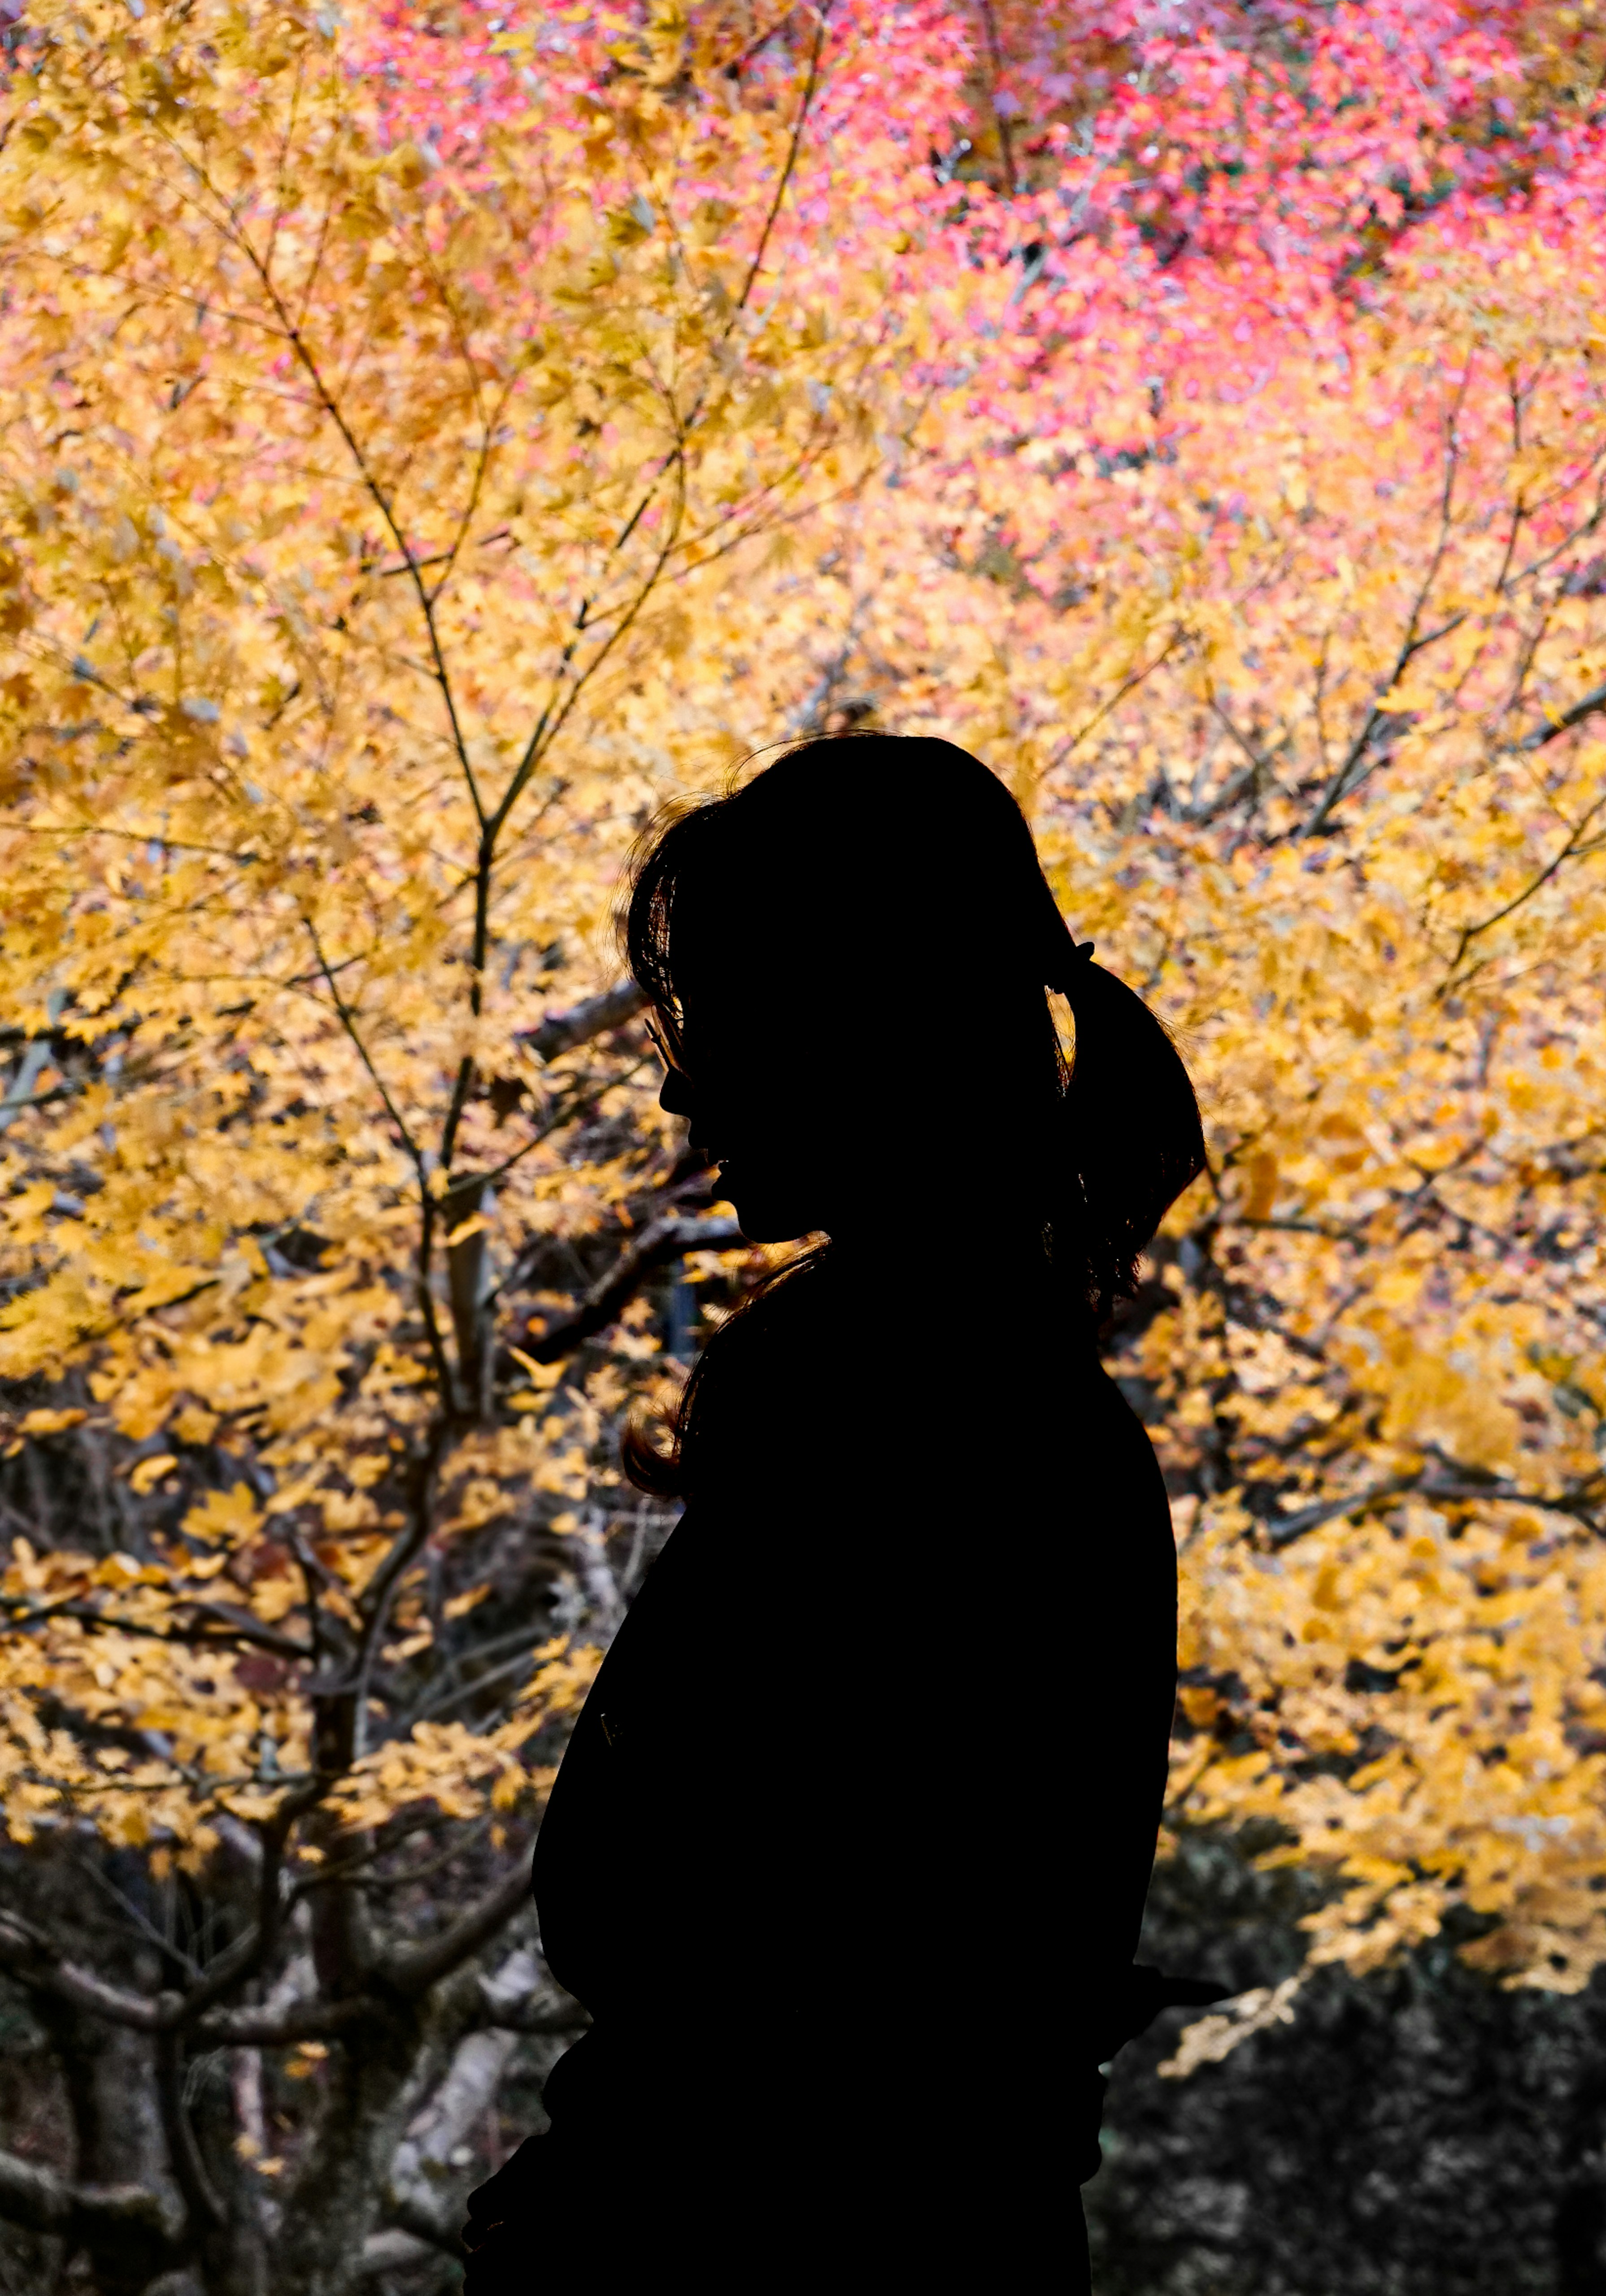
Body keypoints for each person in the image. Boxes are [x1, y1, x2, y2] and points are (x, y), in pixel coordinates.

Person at [462, 733, 1217, 2292]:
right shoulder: (953, 1392)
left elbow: (804, 1997)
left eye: (729, 1018)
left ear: (868, 1030)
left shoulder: (926, 1420)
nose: (680, 1078)